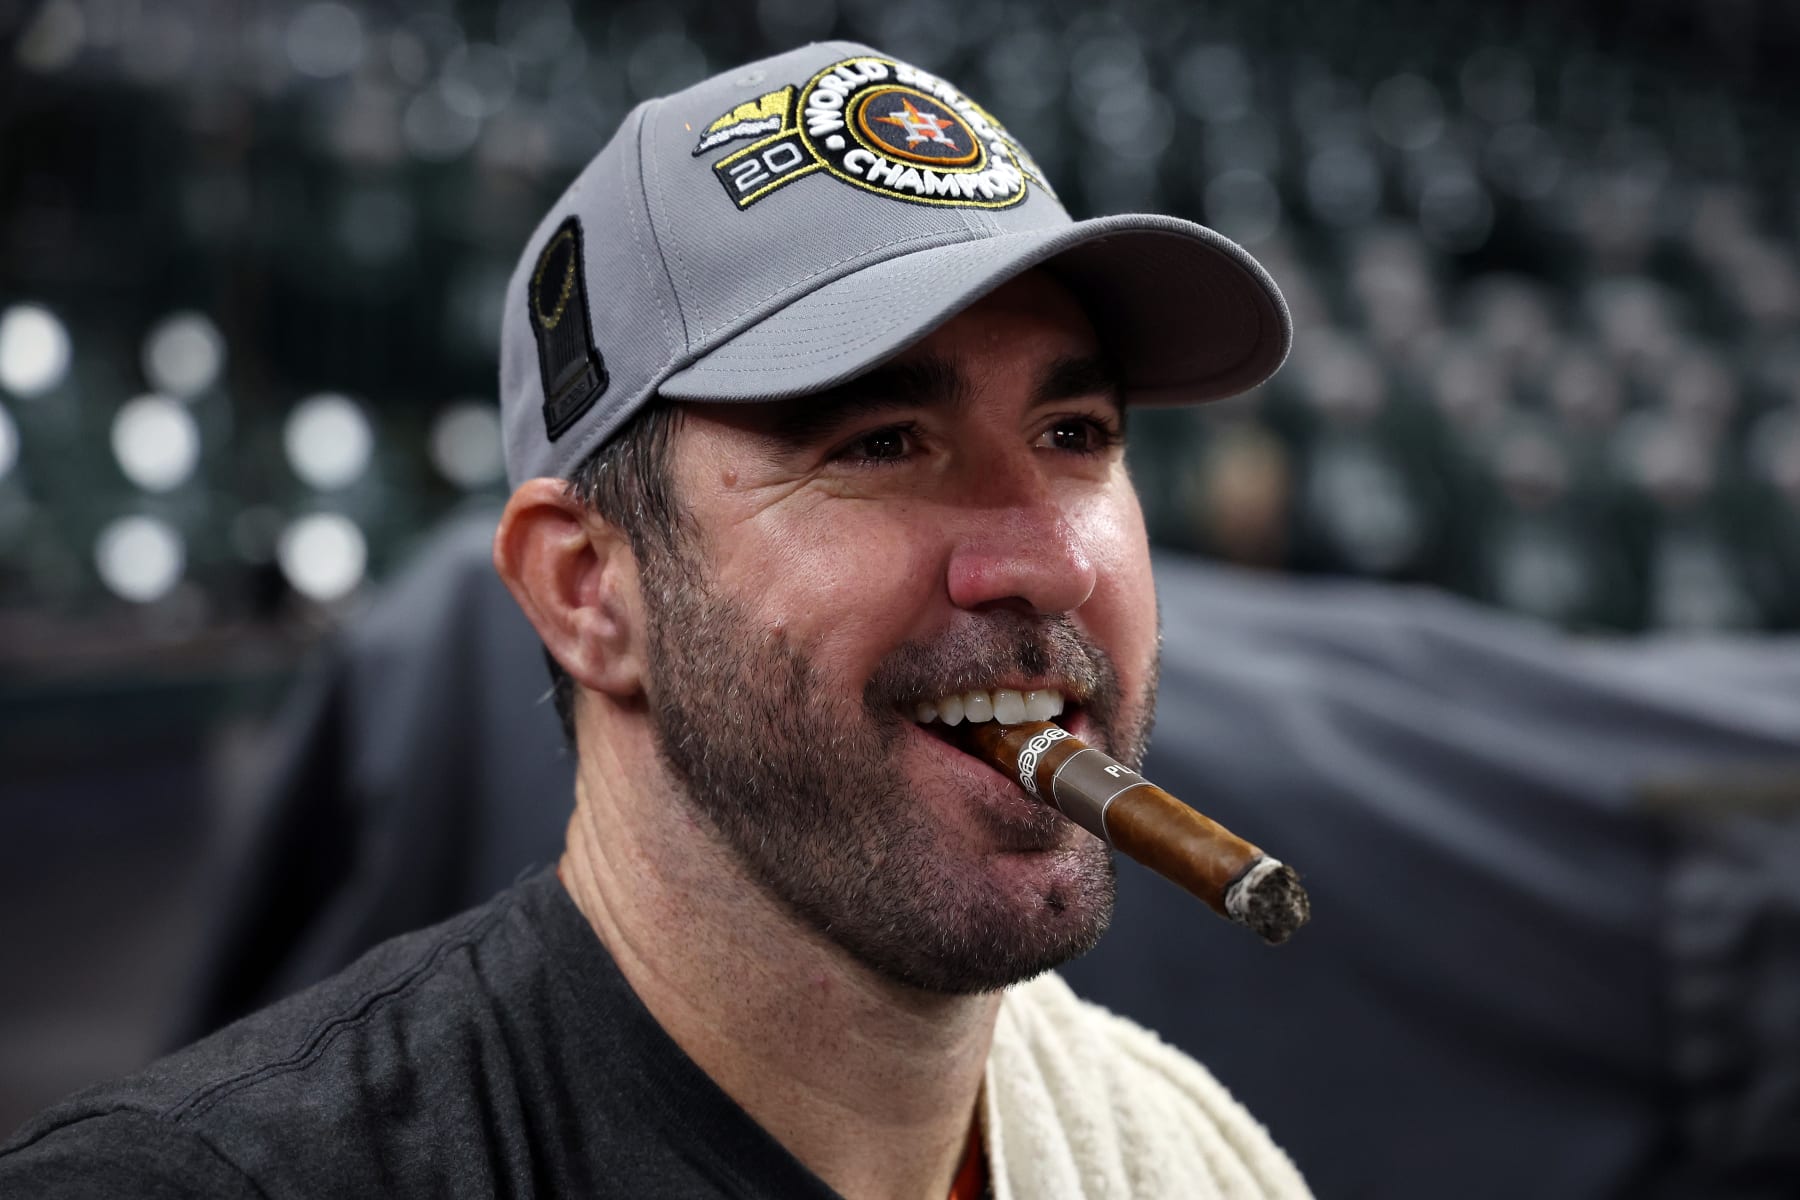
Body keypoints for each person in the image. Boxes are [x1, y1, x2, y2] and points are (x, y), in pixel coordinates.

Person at [0, 42, 1305, 1198]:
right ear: (587, 589)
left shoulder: (1189, 1162)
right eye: (885, 441)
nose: (1052, 561)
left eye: (1075, 434)